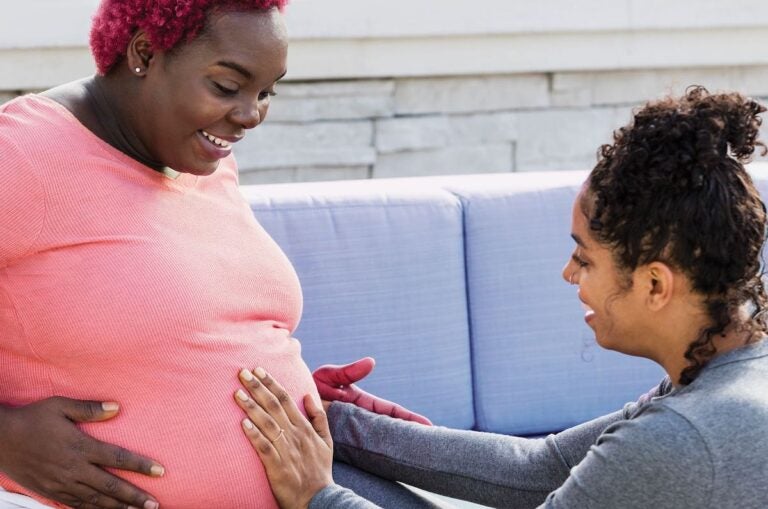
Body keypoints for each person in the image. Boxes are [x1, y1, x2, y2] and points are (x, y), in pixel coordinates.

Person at [234, 87, 768, 508]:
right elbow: (538, 467)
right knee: (344, 476)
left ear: (654, 284)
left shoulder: (679, 439)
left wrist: (318, 498)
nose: (567, 273)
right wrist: (339, 426)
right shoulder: (725, 374)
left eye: (584, 258)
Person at [0, 1, 433, 508]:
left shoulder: (198, 157)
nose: (250, 115)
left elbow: (186, 327)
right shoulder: (23, 155)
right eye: (228, 87)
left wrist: (296, 394)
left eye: (267, 91)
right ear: (145, 52)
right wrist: (5, 438)